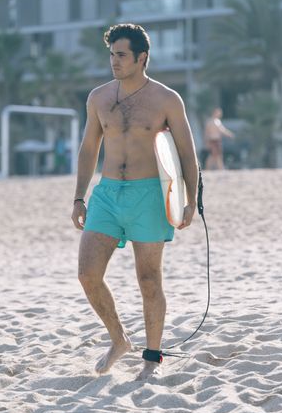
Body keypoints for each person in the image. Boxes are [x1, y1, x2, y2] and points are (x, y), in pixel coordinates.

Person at [71, 24, 198, 380]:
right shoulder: (98, 97)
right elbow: (88, 149)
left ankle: (152, 357)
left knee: (148, 279)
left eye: (121, 55)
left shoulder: (166, 99)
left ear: (142, 58)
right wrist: (79, 196)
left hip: (149, 196)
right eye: (111, 54)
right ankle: (119, 339)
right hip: (108, 194)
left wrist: (190, 200)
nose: (114, 61)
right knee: (88, 274)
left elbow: (187, 154)